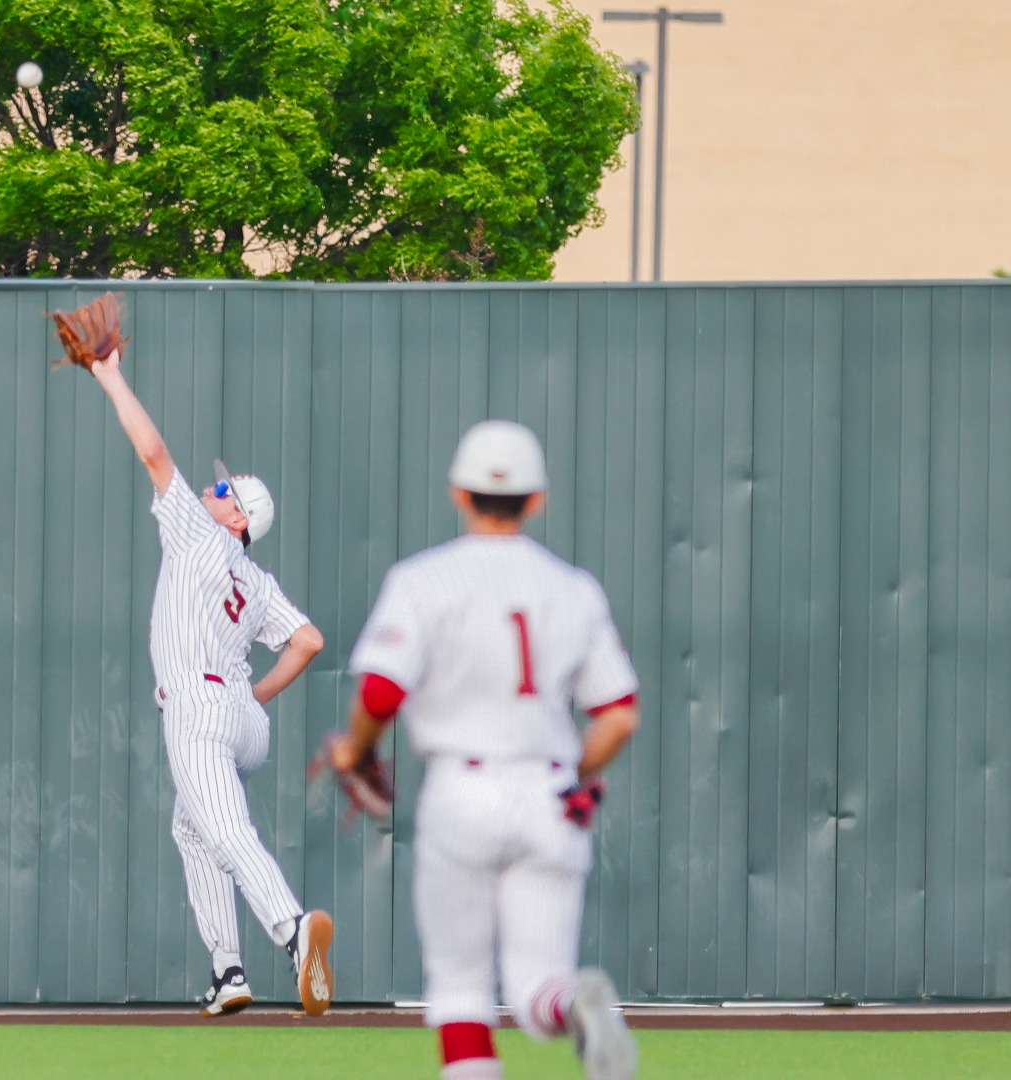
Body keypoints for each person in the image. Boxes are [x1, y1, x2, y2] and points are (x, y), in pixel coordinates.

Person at [322, 420, 641, 1078]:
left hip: (462, 791)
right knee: (534, 990)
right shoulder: (571, 588)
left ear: (459, 494)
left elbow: (381, 692)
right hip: (550, 792)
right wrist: (574, 775)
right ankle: (574, 1004)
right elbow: (619, 717)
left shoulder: (424, 579)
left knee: (461, 992)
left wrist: (353, 753)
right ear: (537, 499)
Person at [84, 336, 335, 1017]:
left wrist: (110, 377)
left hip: (197, 704)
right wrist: (256, 696)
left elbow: (153, 453)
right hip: (244, 720)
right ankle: (229, 972)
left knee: (224, 830)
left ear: (236, 515)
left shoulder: (199, 533)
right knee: (193, 829)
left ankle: (291, 930)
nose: (210, 486)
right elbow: (308, 641)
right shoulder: (256, 577)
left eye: (223, 489)